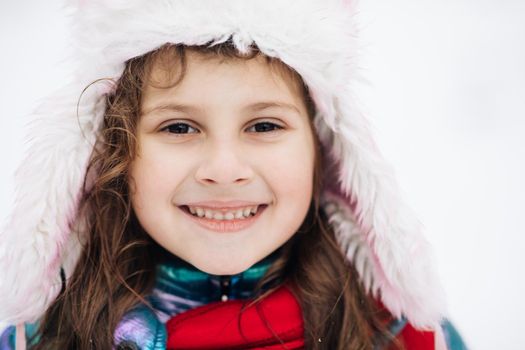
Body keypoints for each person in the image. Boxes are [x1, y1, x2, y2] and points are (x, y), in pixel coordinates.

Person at [0, 0, 468, 349]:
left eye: (264, 125)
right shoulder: (46, 334)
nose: (224, 170)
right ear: (115, 151)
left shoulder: (396, 332)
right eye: (179, 127)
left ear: (323, 152)